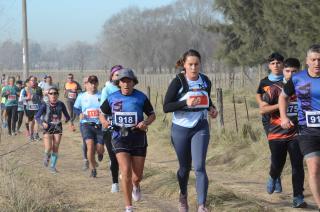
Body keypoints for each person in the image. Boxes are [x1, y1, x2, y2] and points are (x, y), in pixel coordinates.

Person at [163, 49, 218, 212]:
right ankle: (183, 195)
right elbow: (166, 107)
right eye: (190, 64)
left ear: (200, 64)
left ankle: (202, 205)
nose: (194, 67)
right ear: (184, 65)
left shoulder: (206, 81)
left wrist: (212, 109)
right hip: (180, 128)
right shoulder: (178, 82)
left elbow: (207, 100)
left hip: (200, 126)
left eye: (196, 64)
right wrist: (185, 103)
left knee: (200, 166)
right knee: (184, 168)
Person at [100, 68, 156, 212]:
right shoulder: (112, 97)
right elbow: (102, 113)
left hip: (138, 137)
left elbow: (152, 115)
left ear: (133, 83)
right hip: (120, 137)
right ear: (119, 83)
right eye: (123, 81)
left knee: (137, 176)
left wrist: (146, 123)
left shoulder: (141, 97)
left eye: (128, 81)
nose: (125, 84)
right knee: (125, 171)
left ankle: (136, 185)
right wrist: (104, 122)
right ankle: (128, 207)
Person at [260, 58, 306, 207]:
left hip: (297, 133)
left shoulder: (305, 87)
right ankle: (273, 176)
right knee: (278, 163)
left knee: (297, 165)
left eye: (294, 71)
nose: (291, 74)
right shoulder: (274, 89)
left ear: (299, 71)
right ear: (283, 71)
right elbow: (263, 109)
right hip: (276, 134)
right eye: (288, 71)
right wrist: (281, 105)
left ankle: (298, 197)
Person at [279, 44, 320, 210]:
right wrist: (283, 117)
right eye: (314, 59)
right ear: (307, 61)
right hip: (307, 130)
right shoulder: (297, 78)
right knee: (314, 168)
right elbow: (283, 97)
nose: (317, 63)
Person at [256, 52, 284, 192]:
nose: (276, 65)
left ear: (282, 64)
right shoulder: (265, 81)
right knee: (275, 149)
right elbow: (258, 94)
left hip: (285, 119)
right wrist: (261, 103)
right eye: (273, 63)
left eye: (278, 62)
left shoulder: (288, 79)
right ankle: (275, 177)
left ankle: (275, 176)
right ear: (269, 65)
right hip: (269, 120)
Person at [74, 75, 104, 177]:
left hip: (100, 125)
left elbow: (108, 109)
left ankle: (100, 153)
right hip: (86, 124)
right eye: (91, 83)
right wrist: (79, 113)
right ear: (87, 84)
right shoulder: (82, 96)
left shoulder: (102, 95)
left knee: (99, 148)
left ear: (98, 84)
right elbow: (76, 108)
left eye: (95, 83)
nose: (93, 85)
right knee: (90, 145)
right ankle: (93, 168)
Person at [35, 87, 70, 173]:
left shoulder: (61, 104)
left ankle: (52, 167)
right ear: (48, 95)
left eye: (55, 93)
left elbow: (67, 116)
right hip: (48, 127)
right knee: (48, 148)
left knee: (55, 147)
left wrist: (66, 120)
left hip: (58, 127)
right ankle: (47, 156)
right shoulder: (44, 105)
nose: (53, 95)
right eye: (51, 93)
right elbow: (37, 117)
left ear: (57, 95)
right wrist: (42, 123)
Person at [100, 65, 123, 193]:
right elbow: (103, 110)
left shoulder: (127, 87)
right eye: (116, 75)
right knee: (114, 157)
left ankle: (124, 174)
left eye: (121, 74)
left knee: (125, 154)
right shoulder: (107, 89)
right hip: (110, 127)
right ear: (112, 76)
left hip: (124, 127)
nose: (119, 77)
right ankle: (115, 182)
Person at [20, 76, 43, 141]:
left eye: (34, 80)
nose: (33, 81)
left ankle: (36, 135)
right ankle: (31, 135)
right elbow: (21, 98)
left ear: (36, 81)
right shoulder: (26, 89)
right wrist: (27, 98)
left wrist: (41, 103)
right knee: (31, 122)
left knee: (36, 121)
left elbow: (41, 98)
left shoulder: (39, 89)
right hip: (29, 107)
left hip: (37, 107)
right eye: (32, 80)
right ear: (29, 81)